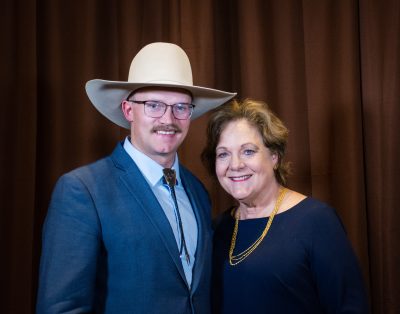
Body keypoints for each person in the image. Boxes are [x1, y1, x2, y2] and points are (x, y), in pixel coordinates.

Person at [36, 42, 236, 313]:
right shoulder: (83, 190)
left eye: (180, 107)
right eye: (154, 105)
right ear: (128, 110)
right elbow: (62, 308)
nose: (168, 119)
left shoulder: (197, 190)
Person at [201, 99, 369, 314]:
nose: (235, 165)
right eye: (223, 154)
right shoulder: (218, 228)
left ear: (274, 157)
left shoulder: (317, 222)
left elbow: (349, 307)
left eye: (248, 151)